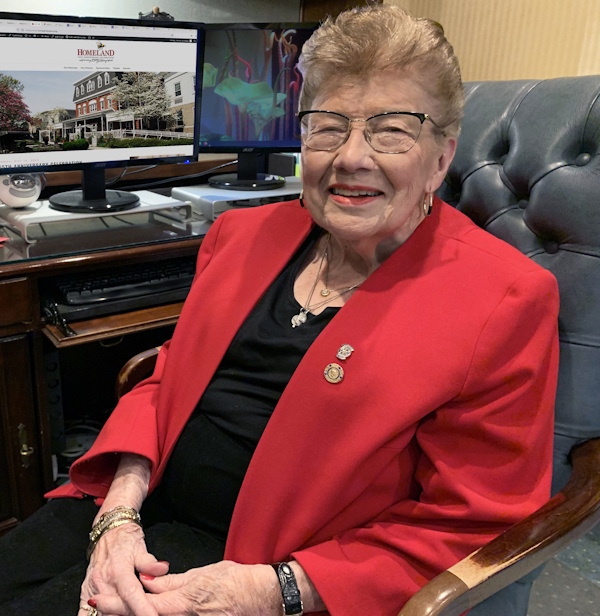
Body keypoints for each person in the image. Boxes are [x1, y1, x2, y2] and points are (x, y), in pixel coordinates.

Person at [0, 5, 559, 616]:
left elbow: (472, 524)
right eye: (328, 127)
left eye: (391, 130)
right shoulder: (239, 235)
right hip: (136, 504)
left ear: (442, 157)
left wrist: (273, 590)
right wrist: (118, 515)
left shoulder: (503, 299)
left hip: (267, 568)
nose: (351, 157)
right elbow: (166, 382)